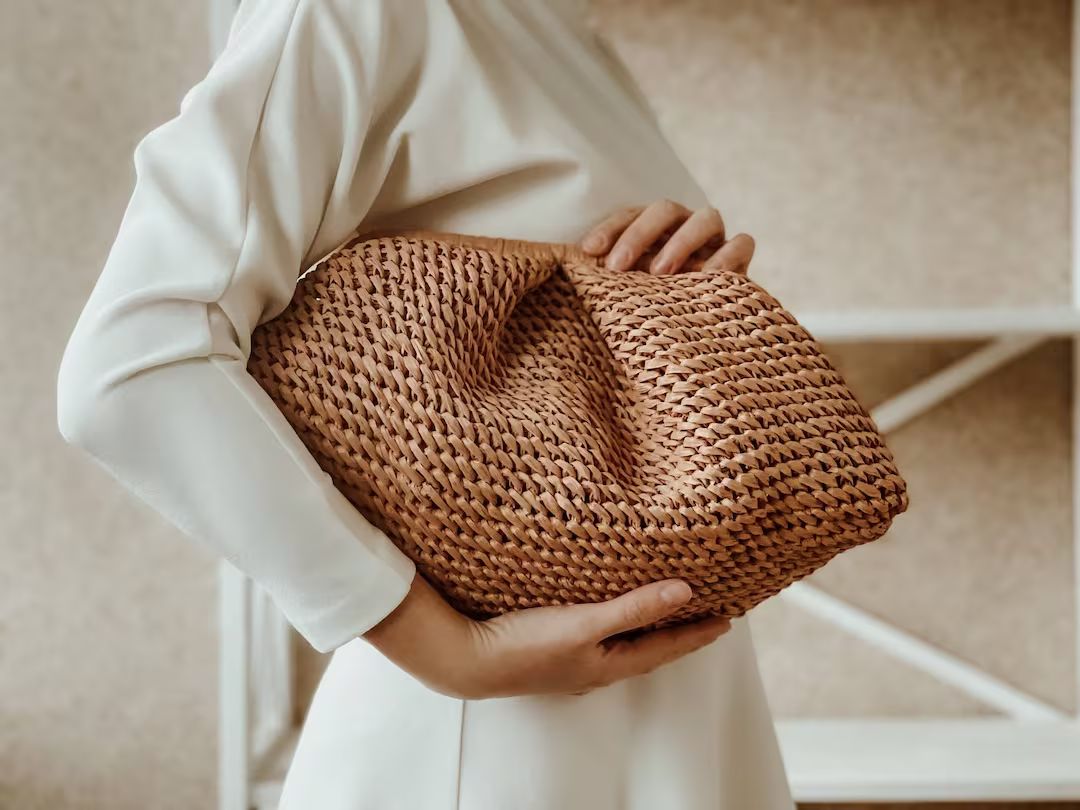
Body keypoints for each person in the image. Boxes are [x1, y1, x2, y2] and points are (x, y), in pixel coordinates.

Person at [56, 1, 795, 807]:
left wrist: (688, 295)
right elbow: (131, 365)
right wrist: (450, 652)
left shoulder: (557, 29)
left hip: (679, 713)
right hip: (498, 743)